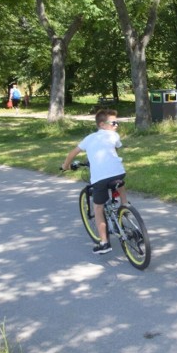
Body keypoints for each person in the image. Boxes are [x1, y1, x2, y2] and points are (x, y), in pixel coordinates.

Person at [61, 109, 127, 254]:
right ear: (102, 124)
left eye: (117, 122)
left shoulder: (89, 138)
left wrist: (65, 166)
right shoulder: (114, 135)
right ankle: (125, 205)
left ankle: (104, 243)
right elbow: (116, 147)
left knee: (98, 208)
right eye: (114, 122)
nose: (117, 125)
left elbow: (72, 153)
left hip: (100, 179)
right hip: (119, 171)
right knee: (119, 179)